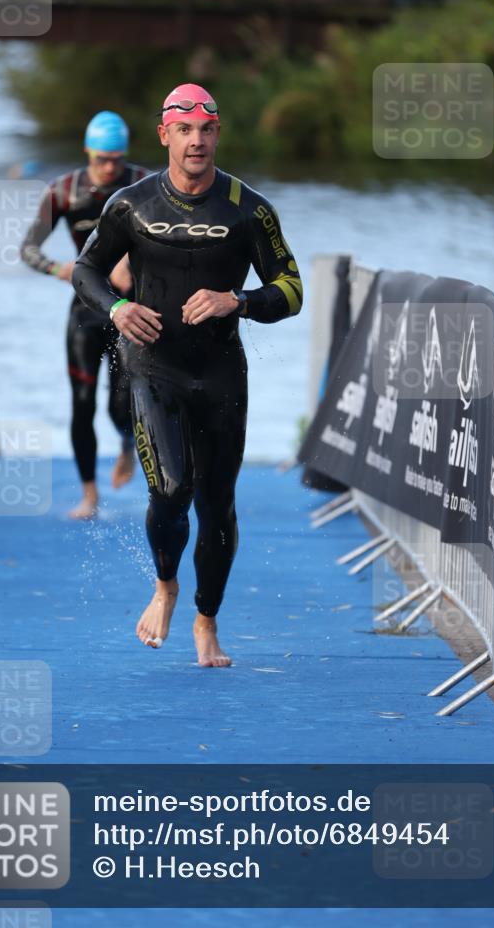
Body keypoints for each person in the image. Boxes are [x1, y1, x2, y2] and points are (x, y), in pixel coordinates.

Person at [73, 83, 303, 667]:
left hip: (221, 371)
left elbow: (292, 290)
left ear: (217, 134)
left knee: (218, 503)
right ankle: (165, 585)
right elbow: (87, 270)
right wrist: (119, 309)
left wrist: (239, 302)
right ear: (165, 136)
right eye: (185, 130)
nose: (196, 141)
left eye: (207, 130)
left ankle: (206, 622)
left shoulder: (249, 209)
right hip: (153, 366)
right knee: (171, 489)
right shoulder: (131, 204)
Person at [21, 111, 149, 519]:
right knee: (81, 402)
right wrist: (62, 269)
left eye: (116, 159)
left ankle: (128, 443)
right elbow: (28, 249)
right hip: (87, 308)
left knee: (121, 402)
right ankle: (90, 495)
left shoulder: (145, 185)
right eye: (102, 159)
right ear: (88, 152)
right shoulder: (63, 191)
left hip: (132, 307)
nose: (110, 168)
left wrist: (136, 261)